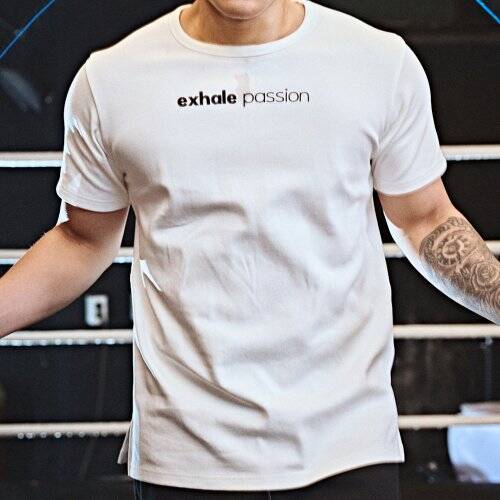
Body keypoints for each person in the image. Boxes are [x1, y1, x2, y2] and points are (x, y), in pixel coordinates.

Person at [1, 0, 498, 498]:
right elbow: (82, 239)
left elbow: (424, 217)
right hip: (184, 455)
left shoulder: (379, 62)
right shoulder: (111, 79)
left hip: (346, 448)